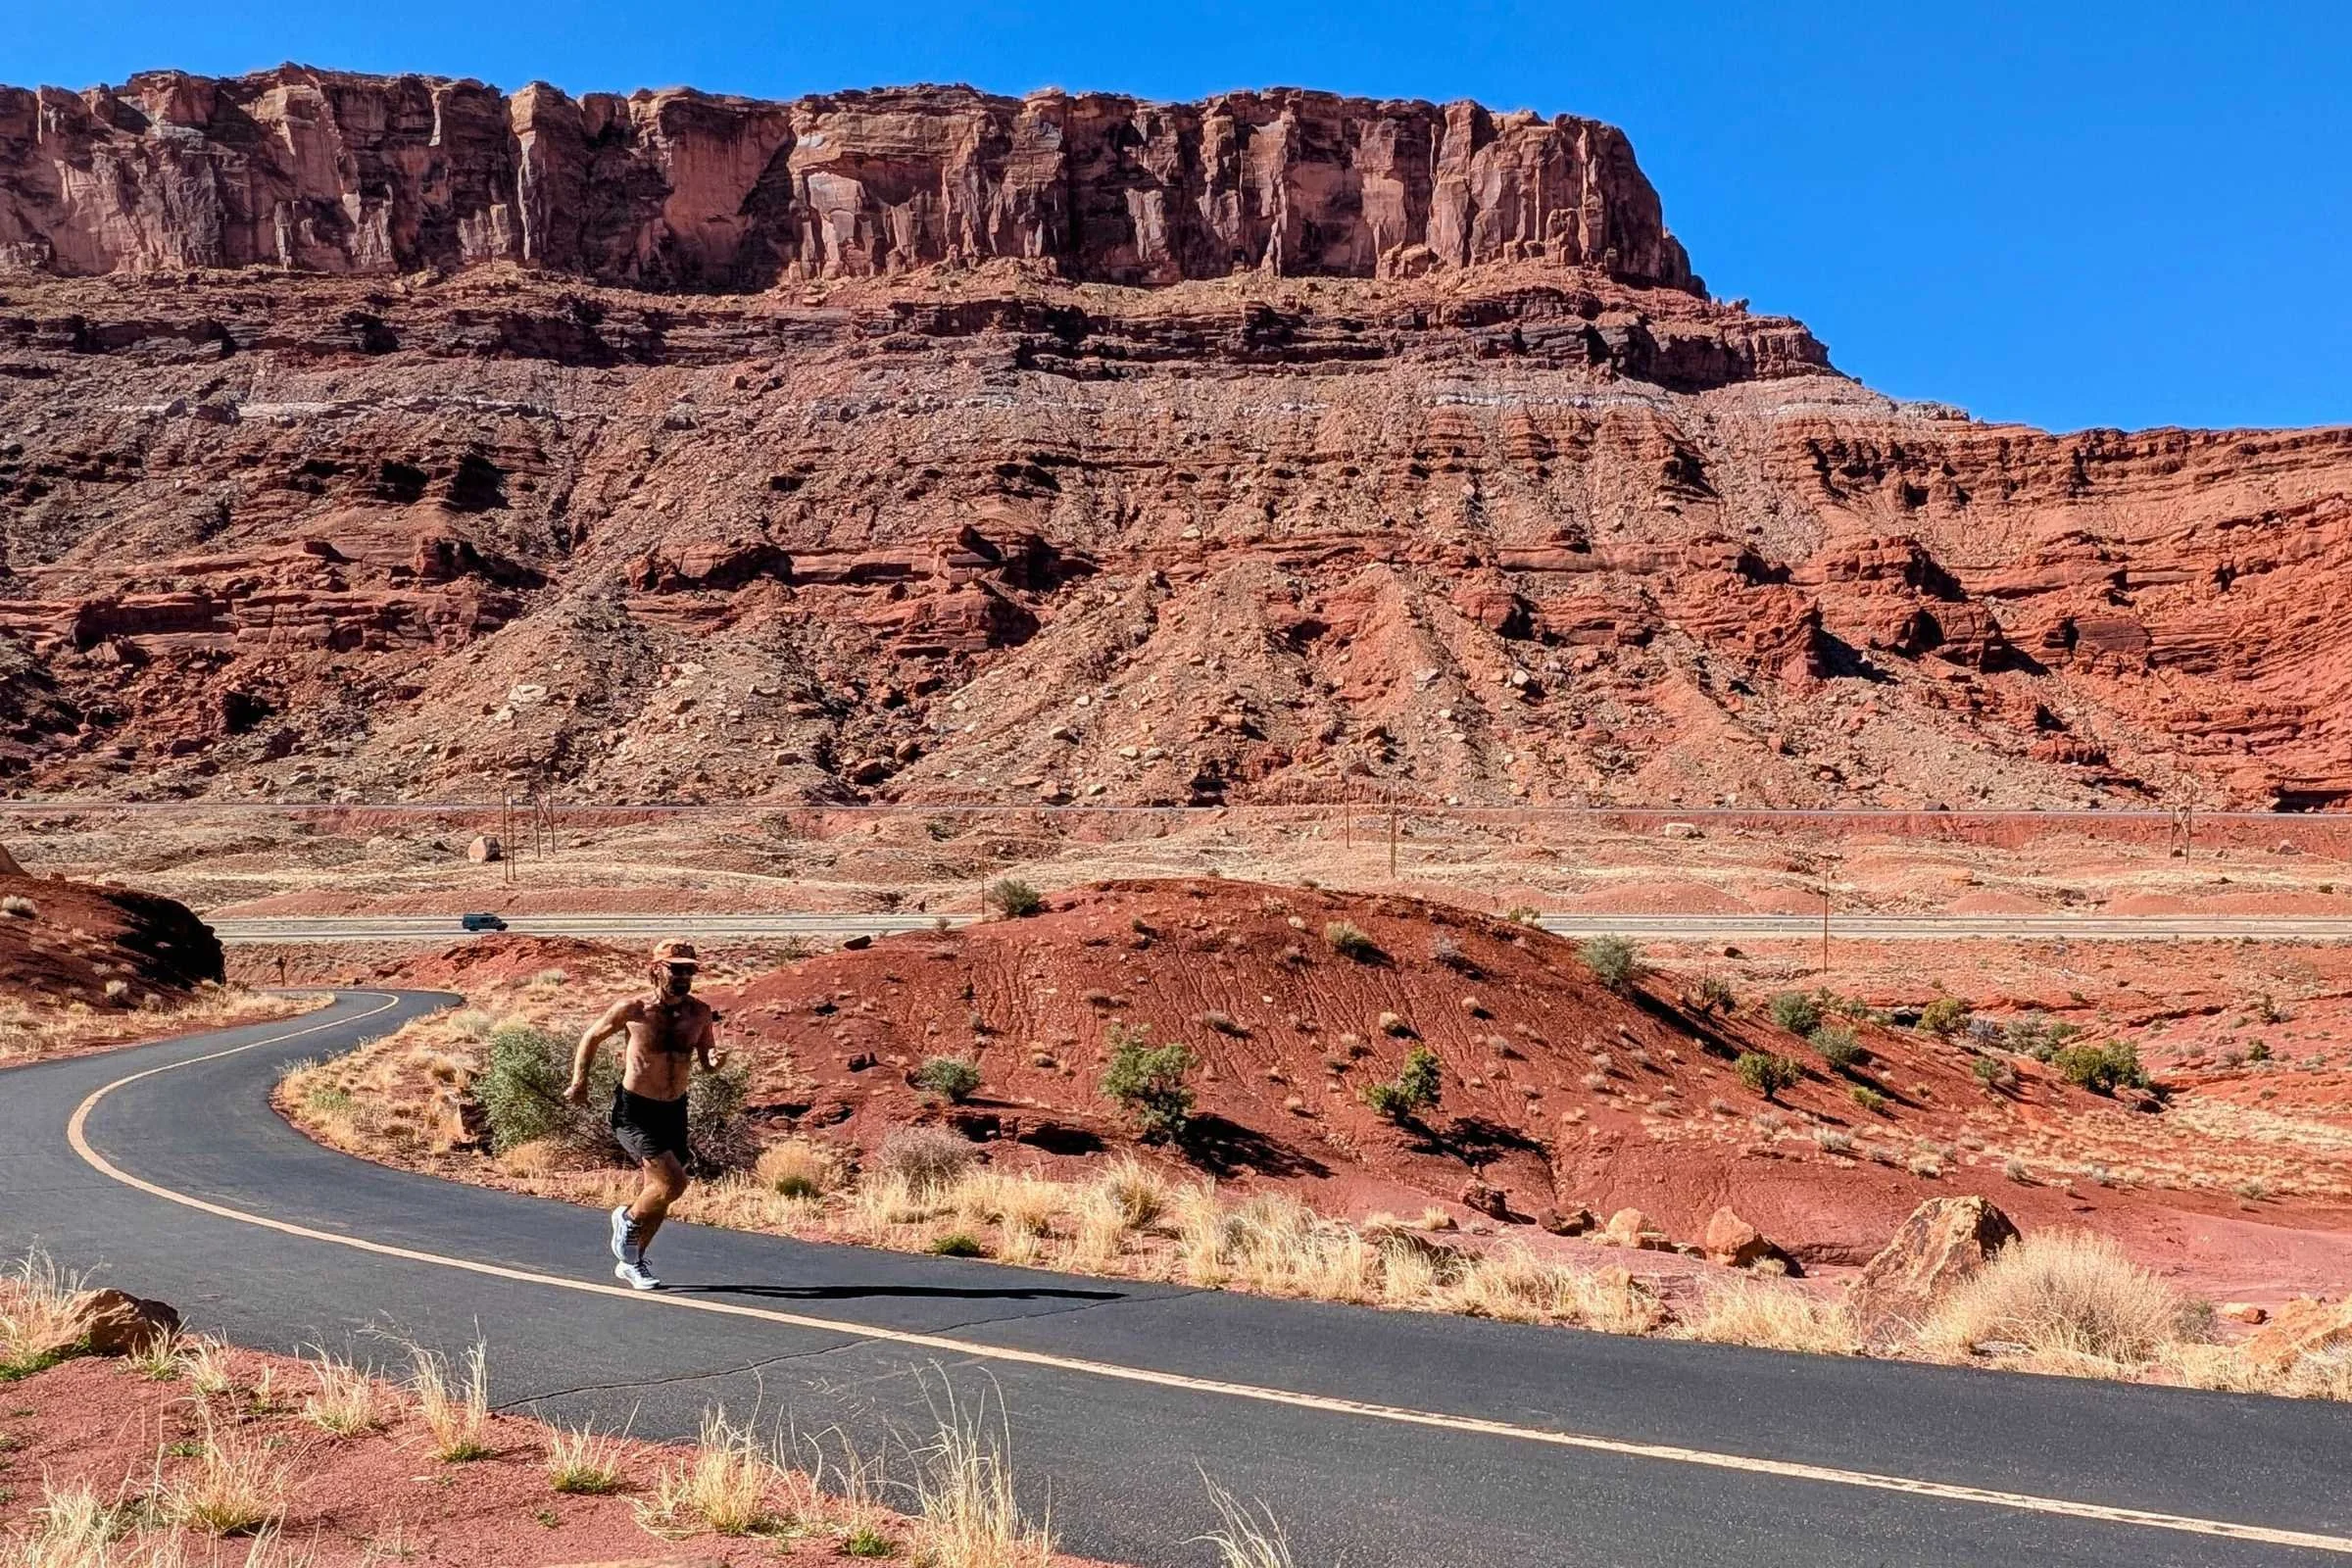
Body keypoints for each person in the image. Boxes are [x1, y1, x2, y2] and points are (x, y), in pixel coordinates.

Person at [565, 938, 724, 1291]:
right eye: (676, 969)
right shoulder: (633, 1009)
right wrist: (580, 1083)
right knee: (673, 1183)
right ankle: (627, 1220)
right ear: (656, 969)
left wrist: (714, 1062)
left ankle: (633, 1262)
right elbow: (590, 1038)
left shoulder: (700, 1012)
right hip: (636, 1109)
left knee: (662, 1191)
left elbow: (706, 1056)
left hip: (675, 1108)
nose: (684, 976)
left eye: (689, 970)